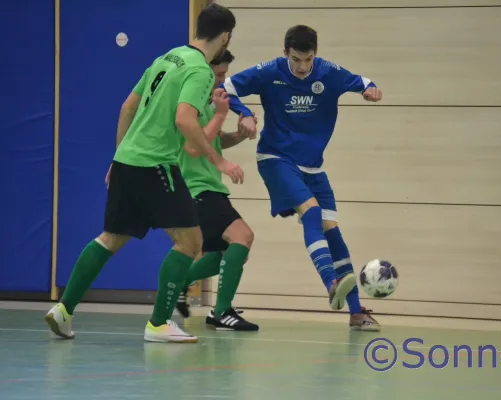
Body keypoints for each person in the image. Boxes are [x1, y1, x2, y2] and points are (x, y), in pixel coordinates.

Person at [44, 3, 244, 343]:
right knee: (191, 241)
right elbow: (185, 120)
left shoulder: (167, 57)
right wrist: (220, 161)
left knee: (110, 238)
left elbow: (128, 106)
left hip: (127, 160)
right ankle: (159, 323)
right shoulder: (200, 70)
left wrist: (118, 156)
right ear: (225, 36)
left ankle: (64, 309)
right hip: (156, 164)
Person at [220, 25, 383, 331]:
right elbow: (224, 88)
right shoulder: (269, 71)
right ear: (285, 53)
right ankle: (330, 283)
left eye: (308, 60)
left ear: (315, 55)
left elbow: (364, 82)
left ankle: (356, 313)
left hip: (313, 168)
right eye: (296, 59)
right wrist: (243, 113)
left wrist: (371, 90)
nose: (302, 67)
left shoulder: (328, 72)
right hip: (276, 159)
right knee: (312, 212)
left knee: (333, 233)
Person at [174, 50, 259, 331]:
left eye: (225, 75)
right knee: (242, 237)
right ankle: (221, 312)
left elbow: (214, 141)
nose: (222, 80)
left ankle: (182, 283)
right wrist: (222, 114)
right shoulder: (192, 103)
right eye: (219, 74)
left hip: (210, 186)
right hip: (196, 187)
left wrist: (239, 135)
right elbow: (193, 147)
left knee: (228, 252)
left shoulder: (209, 103)